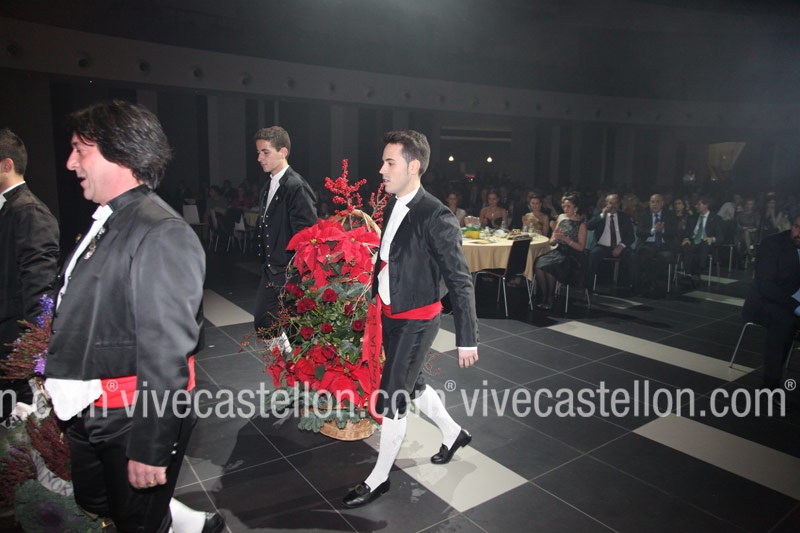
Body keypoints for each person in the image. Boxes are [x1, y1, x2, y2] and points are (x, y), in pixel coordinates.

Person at [43, 100, 219, 532]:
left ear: (118, 151)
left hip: (130, 414)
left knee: (138, 522)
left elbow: (167, 351)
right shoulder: (114, 219)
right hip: (97, 407)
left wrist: (150, 446)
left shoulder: (160, 230)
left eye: (80, 150)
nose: (70, 163)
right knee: (101, 502)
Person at [342, 130, 479, 508]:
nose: (381, 170)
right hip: (391, 313)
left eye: (390, 163)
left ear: (413, 166)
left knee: (393, 396)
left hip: (417, 320)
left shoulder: (436, 215)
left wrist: (467, 337)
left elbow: (460, 279)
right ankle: (453, 433)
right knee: (413, 384)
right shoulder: (393, 204)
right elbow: (391, 257)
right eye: (383, 162)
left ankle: (378, 478)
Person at [0, 128, 59, 418]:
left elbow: (39, 290)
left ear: (6, 165)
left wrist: (32, 356)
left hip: (15, 350)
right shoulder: (10, 209)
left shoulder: (29, 212)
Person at [252, 126, 317, 350]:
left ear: (283, 152)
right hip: (271, 269)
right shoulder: (268, 186)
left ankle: (298, 367)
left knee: (295, 329)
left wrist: (298, 275)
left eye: (265, 152)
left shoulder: (296, 186)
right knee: (264, 321)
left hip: (290, 272)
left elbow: (307, 235)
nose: (259, 158)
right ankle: (287, 361)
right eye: (258, 152)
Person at [741, 214, 800, 390]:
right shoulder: (772, 244)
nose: (798, 233)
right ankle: (770, 385)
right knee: (784, 320)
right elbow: (767, 287)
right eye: (797, 227)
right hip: (764, 302)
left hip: (792, 302)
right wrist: (796, 307)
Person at [533, 192, 587, 310]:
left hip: (573, 255)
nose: (565, 209)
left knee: (550, 266)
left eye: (569, 206)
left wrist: (565, 239)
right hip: (559, 250)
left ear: (576, 208)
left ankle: (550, 298)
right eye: (564, 206)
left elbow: (581, 247)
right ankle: (544, 296)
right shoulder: (561, 217)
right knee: (539, 263)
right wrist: (554, 239)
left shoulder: (581, 224)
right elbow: (553, 238)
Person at [586, 193, 635, 291]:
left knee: (633, 257)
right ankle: (588, 287)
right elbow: (588, 226)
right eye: (610, 203)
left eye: (615, 203)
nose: (613, 206)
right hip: (603, 246)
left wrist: (621, 246)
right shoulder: (599, 215)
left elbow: (631, 237)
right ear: (606, 204)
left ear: (619, 204)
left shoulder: (624, 217)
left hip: (620, 246)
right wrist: (602, 215)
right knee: (593, 255)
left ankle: (633, 287)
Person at [633, 193, 677, 295]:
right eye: (652, 202)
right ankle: (645, 284)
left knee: (663, 258)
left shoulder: (670, 215)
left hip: (664, 245)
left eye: (657, 202)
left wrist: (663, 230)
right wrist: (653, 230)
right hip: (648, 244)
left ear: (662, 203)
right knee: (643, 256)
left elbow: (675, 232)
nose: (654, 204)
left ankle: (652, 283)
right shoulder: (644, 214)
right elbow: (639, 232)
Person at [680, 195, 723, 285]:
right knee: (687, 246)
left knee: (704, 245)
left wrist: (712, 238)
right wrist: (686, 238)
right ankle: (689, 272)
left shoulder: (716, 219)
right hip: (693, 241)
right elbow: (687, 232)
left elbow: (720, 237)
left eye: (698, 204)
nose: (696, 206)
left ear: (706, 205)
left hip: (706, 243)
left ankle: (697, 271)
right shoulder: (692, 218)